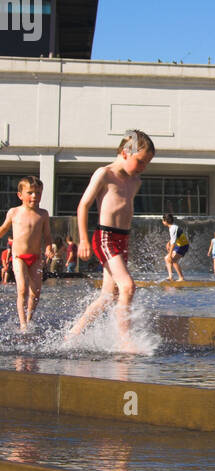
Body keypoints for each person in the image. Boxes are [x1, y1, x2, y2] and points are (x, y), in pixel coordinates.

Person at [67, 130, 156, 343]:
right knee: (127, 286)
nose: (143, 167)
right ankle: (125, 342)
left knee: (109, 296)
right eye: (140, 161)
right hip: (105, 237)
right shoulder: (104, 174)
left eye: (147, 163)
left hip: (122, 238)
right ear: (126, 152)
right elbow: (83, 205)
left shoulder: (135, 182)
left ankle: (72, 334)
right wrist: (84, 239)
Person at [0, 176, 52, 330]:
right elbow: (3, 229)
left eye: (38, 193)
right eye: (30, 193)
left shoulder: (43, 214)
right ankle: (23, 324)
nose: (34, 196)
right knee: (22, 289)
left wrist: (49, 247)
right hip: (18, 257)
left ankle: (29, 319)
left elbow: (47, 236)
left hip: (35, 257)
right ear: (20, 195)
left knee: (36, 292)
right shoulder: (14, 212)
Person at [162, 214, 189, 282]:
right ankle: (170, 276)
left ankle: (181, 278)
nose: (162, 221)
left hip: (183, 245)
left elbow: (173, 243)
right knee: (166, 258)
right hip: (179, 245)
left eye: (163, 220)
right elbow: (174, 238)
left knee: (173, 260)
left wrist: (170, 254)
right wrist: (168, 242)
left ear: (165, 221)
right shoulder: (173, 227)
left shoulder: (173, 228)